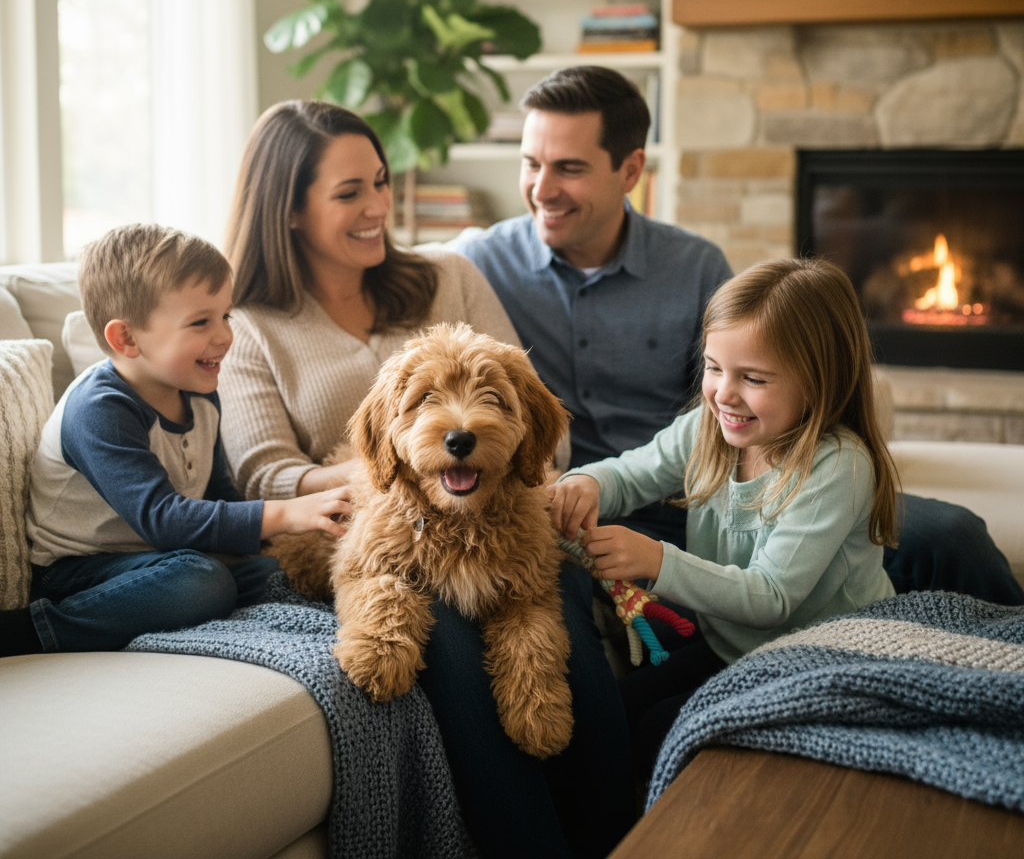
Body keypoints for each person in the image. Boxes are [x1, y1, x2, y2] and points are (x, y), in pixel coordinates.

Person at [218, 99, 635, 859]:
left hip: (505, 514)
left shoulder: (450, 275)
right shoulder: (246, 324)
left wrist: (486, 465)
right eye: (350, 193)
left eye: (380, 182)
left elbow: (533, 412)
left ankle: (626, 838)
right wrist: (399, 469)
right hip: (376, 525)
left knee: (562, 625)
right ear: (289, 210)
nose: (377, 207)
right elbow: (265, 475)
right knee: (449, 648)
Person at [454, 65, 1024, 607]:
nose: (542, 189)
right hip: (584, 504)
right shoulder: (476, 267)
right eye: (531, 164)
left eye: (569, 168)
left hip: (715, 494)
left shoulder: (694, 266)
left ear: (630, 171)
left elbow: (746, 398)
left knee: (951, 534)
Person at [550, 257, 901, 780]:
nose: (723, 394)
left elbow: (770, 597)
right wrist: (588, 482)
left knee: (661, 730)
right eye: (714, 368)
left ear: (817, 381)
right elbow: (633, 472)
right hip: (732, 648)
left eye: (752, 378)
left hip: (826, 656)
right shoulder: (708, 428)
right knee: (614, 714)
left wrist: (656, 559)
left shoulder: (837, 466)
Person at [0, 224, 348, 658]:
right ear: (126, 338)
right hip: (81, 572)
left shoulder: (199, 392)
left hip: (170, 556)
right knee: (200, 582)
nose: (224, 336)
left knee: (284, 571)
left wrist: (302, 533)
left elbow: (217, 493)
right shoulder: (99, 409)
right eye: (201, 322)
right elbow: (163, 518)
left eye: (226, 316)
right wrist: (286, 513)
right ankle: (32, 633)